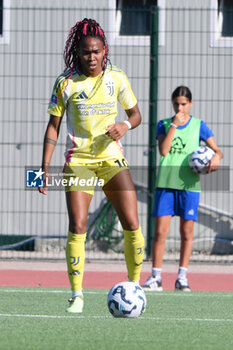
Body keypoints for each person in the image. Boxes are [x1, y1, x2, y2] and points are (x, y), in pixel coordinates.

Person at [39, 18, 144, 312]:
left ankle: (134, 287)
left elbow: (136, 115)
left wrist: (124, 125)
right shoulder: (66, 82)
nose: (92, 57)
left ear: (104, 50)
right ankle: (77, 295)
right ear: (78, 52)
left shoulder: (117, 78)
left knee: (132, 223)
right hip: (79, 161)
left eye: (97, 51)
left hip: (112, 159)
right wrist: (42, 170)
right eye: (86, 52)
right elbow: (53, 127)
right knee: (78, 225)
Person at [143, 86, 223, 291]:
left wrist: (216, 158)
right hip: (166, 184)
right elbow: (164, 151)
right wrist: (174, 127)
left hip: (189, 186)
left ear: (191, 103)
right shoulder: (164, 124)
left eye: (183, 104)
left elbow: (218, 151)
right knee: (160, 233)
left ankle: (182, 277)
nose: (180, 107)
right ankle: (156, 277)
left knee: (187, 233)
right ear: (172, 104)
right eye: (176, 103)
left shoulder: (199, 126)